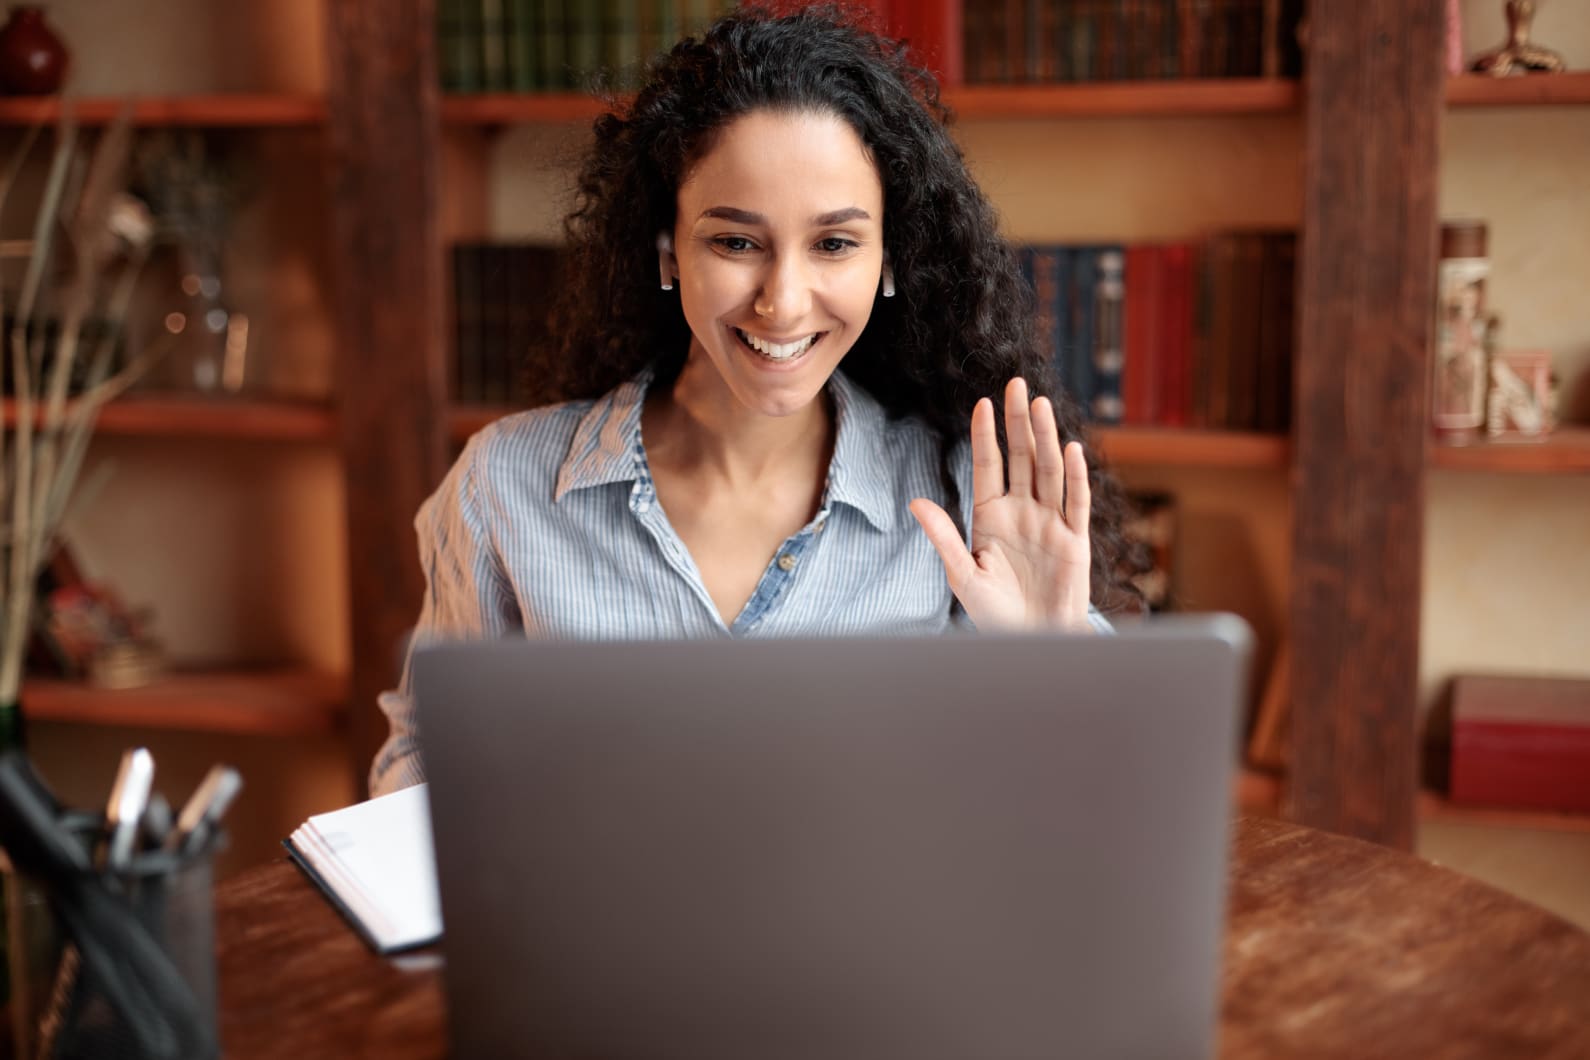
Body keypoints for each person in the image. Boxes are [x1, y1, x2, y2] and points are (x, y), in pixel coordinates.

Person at [370, 5, 1144, 795]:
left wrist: (1052, 663)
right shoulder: (507, 485)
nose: (783, 302)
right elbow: (425, 754)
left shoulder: (960, 499)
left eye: (834, 244)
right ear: (670, 252)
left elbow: (1078, 809)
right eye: (735, 242)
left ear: (888, 261)